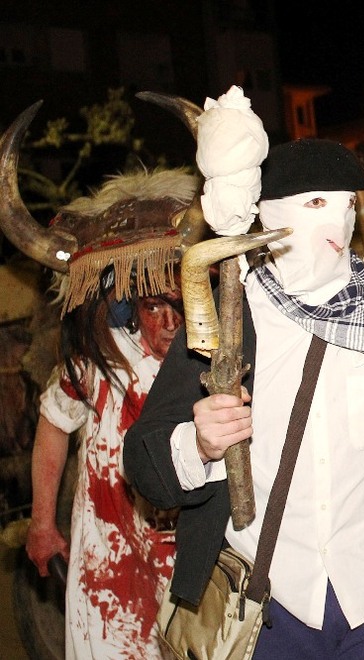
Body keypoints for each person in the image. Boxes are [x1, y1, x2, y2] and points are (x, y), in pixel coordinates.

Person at [124, 139, 364, 659]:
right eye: (317, 204)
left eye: (347, 204)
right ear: (271, 215)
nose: (339, 224)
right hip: (269, 606)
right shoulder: (229, 318)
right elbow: (144, 460)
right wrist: (200, 443)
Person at [3, 166, 201, 658]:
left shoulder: (219, 359)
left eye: (179, 305)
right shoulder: (99, 359)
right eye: (155, 307)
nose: (169, 323)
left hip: (200, 565)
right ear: (129, 304)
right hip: (110, 557)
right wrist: (43, 523)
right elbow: (53, 424)